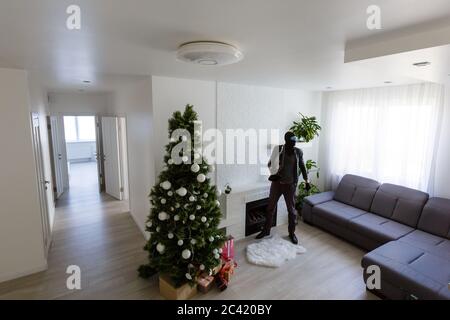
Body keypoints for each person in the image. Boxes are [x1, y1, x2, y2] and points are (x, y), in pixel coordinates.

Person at [256, 131, 310, 244]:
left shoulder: (298, 152)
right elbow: (270, 163)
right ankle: (266, 231)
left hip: (290, 186)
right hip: (277, 184)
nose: (295, 142)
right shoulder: (279, 149)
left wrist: (307, 181)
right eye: (292, 140)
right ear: (286, 140)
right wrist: (274, 173)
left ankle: (292, 233)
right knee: (270, 208)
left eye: (295, 139)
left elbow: (302, 167)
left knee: (291, 211)